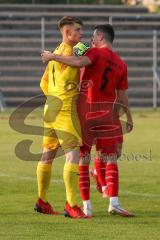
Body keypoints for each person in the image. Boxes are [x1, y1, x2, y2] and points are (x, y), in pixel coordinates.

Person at [41, 24, 134, 217]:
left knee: (82, 159)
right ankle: (113, 203)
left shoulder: (93, 52)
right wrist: (129, 118)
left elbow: (77, 61)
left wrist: (52, 56)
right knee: (110, 158)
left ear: (100, 37)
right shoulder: (121, 64)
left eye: (92, 37)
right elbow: (123, 97)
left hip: (85, 112)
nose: (89, 40)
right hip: (107, 113)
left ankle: (86, 207)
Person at [35, 16, 90, 219]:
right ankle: (72, 205)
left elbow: (43, 83)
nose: (81, 34)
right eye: (77, 30)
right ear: (67, 33)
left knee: (47, 154)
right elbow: (77, 61)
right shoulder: (65, 53)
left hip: (50, 107)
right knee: (72, 155)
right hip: (64, 109)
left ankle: (42, 201)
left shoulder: (55, 52)